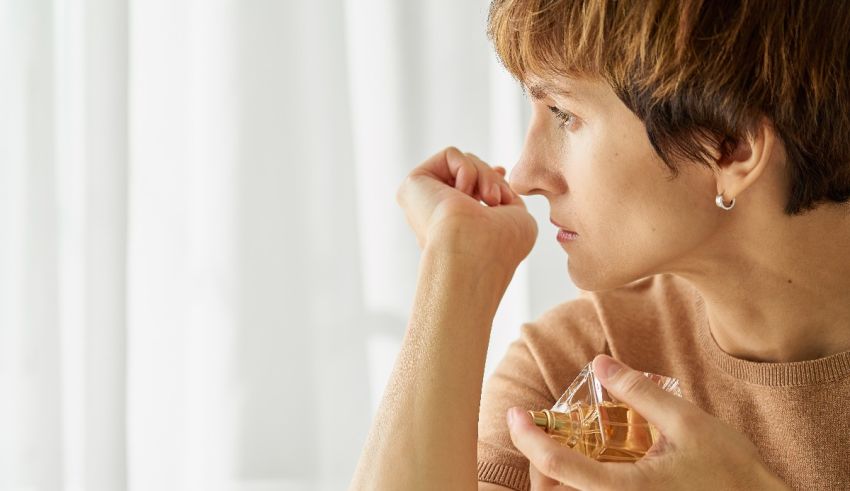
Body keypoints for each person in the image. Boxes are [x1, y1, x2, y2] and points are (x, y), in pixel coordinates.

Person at [350, 0, 850, 489]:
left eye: (564, 114)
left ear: (731, 147)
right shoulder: (574, 363)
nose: (523, 176)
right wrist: (456, 271)